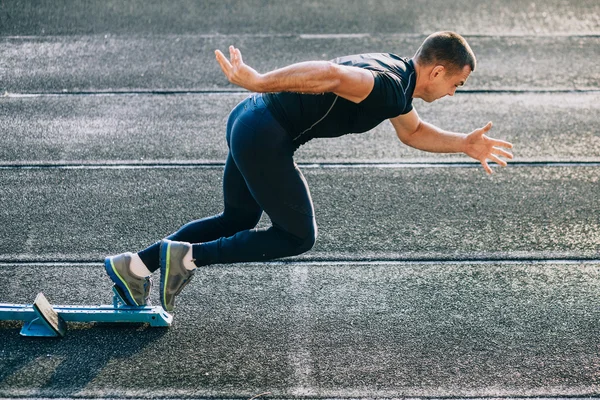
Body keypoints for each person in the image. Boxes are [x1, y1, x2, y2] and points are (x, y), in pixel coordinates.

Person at [105, 31, 513, 312]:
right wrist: (260, 80)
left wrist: (463, 143)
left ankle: (136, 267)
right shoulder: (388, 86)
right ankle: (189, 258)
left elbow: (414, 132)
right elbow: (332, 74)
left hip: (249, 122)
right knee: (298, 235)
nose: (454, 93)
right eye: (458, 84)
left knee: (238, 218)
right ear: (438, 72)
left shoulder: (397, 76)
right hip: (265, 132)